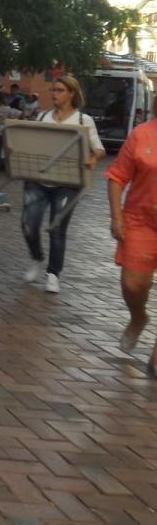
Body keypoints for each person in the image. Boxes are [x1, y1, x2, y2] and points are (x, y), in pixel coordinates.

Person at [21, 75, 104, 294]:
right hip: (38, 180)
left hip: (68, 183)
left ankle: (53, 273)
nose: (54, 94)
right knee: (29, 224)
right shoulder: (42, 117)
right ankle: (37, 258)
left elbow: (98, 148)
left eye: (59, 90)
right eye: (53, 90)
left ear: (71, 94)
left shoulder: (83, 121)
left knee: (57, 228)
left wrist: (92, 160)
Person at [110, 112, 157, 375]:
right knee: (132, 283)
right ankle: (139, 317)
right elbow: (117, 177)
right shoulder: (142, 133)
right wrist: (117, 217)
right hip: (141, 221)